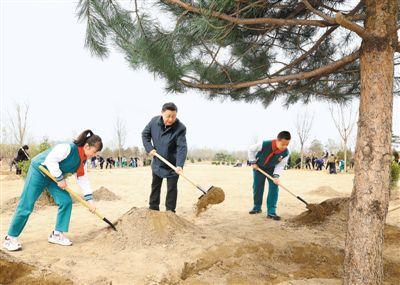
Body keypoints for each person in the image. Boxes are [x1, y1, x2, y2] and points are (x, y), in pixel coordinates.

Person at [3, 130, 102, 251]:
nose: (94, 155)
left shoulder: (83, 160)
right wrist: (60, 179)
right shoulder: (68, 148)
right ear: (87, 146)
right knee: (26, 204)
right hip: (39, 171)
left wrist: (90, 201)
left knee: (66, 201)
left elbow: (82, 179)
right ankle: (10, 238)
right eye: (94, 152)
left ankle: (57, 235)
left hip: (53, 177)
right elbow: (50, 160)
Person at [142, 102, 187, 213]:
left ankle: (170, 212)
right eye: (168, 116)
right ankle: (153, 209)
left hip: (173, 165)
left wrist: (179, 165)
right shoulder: (154, 122)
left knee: (172, 189)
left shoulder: (180, 128)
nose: (171, 119)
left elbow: (182, 147)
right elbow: (145, 134)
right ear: (162, 113)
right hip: (158, 162)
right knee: (155, 187)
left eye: (174, 116)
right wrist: (149, 148)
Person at [247, 131, 291, 220]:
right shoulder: (264, 144)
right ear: (277, 141)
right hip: (259, 167)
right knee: (257, 187)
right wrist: (253, 162)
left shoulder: (286, 153)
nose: (285, 147)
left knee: (274, 188)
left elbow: (280, 165)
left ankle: (271, 212)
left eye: (287, 144)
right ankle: (257, 207)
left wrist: (276, 176)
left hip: (272, 169)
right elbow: (251, 150)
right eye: (283, 144)